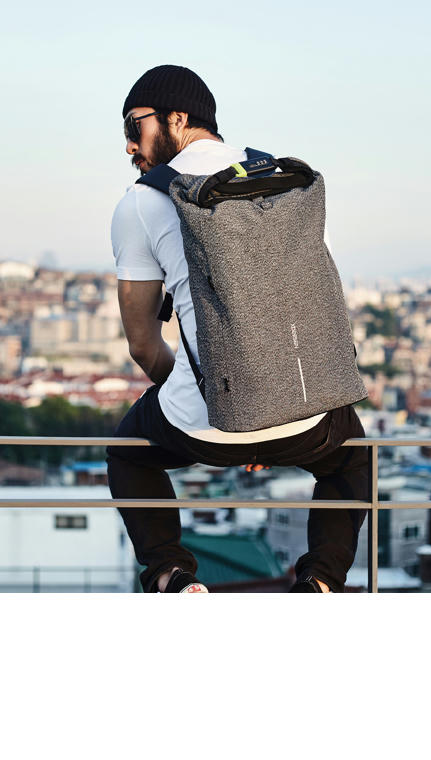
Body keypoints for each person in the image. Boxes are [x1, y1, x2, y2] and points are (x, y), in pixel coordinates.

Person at [106, 64, 370, 593]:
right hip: (303, 415)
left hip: (204, 423)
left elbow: (142, 345)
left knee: (128, 454)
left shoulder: (142, 201)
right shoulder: (282, 183)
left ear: (178, 118)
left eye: (135, 126)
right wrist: (267, 408)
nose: (129, 146)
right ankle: (321, 582)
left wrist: (226, 402)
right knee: (353, 457)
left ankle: (171, 576)